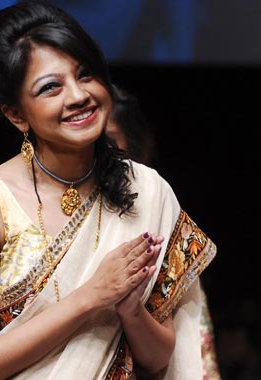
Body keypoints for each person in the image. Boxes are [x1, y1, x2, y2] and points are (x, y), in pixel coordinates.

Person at [0, 1, 217, 379]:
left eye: (86, 74)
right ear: (16, 114)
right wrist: (91, 297)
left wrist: (130, 310)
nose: (77, 96)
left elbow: (158, 360)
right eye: (50, 87)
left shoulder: (147, 191)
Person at [106, 83, 221, 380]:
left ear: (135, 149)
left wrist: (130, 307)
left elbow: (168, 357)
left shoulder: (157, 221)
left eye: (108, 142)